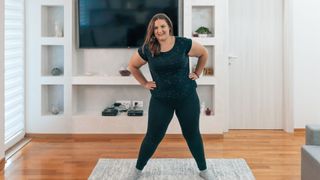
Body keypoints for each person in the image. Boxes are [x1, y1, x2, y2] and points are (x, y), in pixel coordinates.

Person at [128, 13, 214, 180]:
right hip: (161, 100)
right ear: (152, 31)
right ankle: (137, 170)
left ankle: (203, 170)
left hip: (187, 97)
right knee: (153, 136)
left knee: (192, 134)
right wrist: (145, 83)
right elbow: (132, 66)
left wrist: (197, 72)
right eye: (156, 28)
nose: (159, 31)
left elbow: (203, 53)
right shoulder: (148, 48)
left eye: (162, 26)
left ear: (169, 27)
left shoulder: (183, 43)